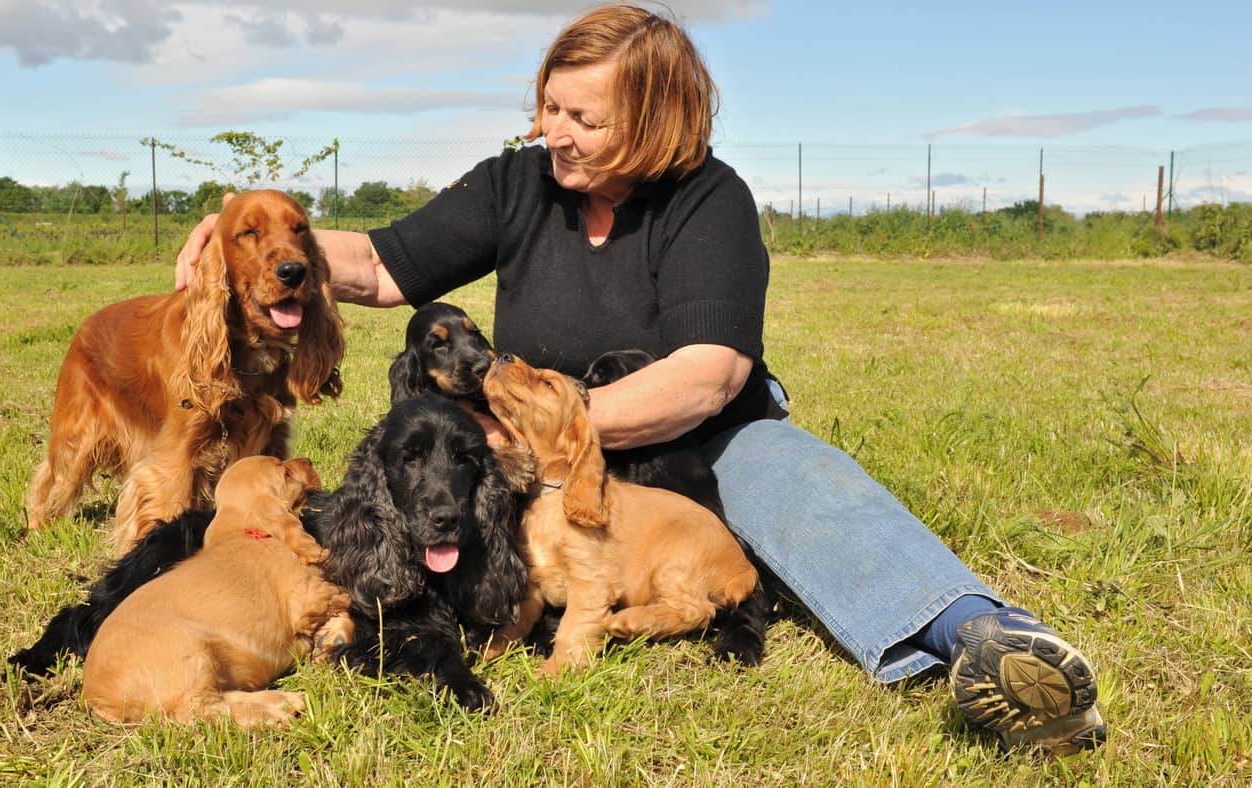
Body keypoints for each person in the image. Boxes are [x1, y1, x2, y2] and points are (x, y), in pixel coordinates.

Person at [176, 4, 1105, 755]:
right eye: (549, 107)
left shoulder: (711, 201)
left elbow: (707, 377)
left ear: (658, 120)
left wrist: (556, 441)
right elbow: (377, 266)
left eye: (584, 119)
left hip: (699, 447)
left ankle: (982, 639)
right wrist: (256, 240)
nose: (555, 133)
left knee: (802, 484)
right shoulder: (519, 184)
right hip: (537, 454)